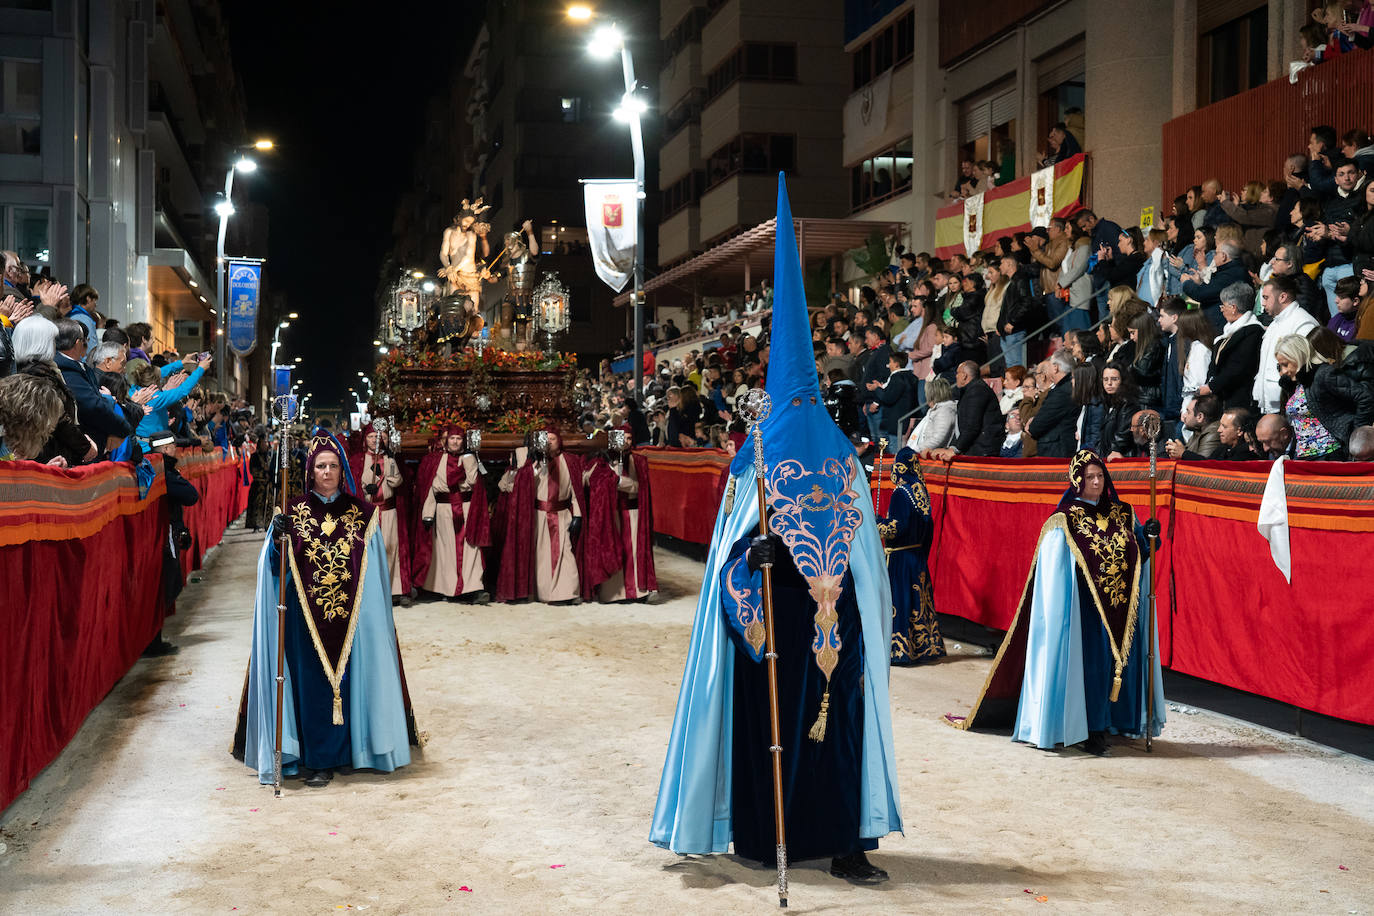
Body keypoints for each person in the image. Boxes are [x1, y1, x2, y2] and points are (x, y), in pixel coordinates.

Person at [651, 177, 901, 885]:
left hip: (835, 614)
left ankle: (849, 842)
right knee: (771, 735)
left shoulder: (841, 455)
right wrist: (749, 554)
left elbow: (862, 549)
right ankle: (763, 835)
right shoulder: (753, 456)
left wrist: (844, 591)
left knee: (840, 727)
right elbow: (729, 550)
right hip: (771, 615)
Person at [235, 434, 419, 788]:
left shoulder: (362, 516)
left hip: (352, 620)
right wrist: (277, 541)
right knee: (312, 687)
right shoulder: (291, 512)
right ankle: (317, 760)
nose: (327, 472)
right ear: (310, 471)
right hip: (305, 622)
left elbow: (374, 571)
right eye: (321, 466)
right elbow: (275, 569)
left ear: (342, 470)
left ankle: (353, 752)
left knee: (352, 686)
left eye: (334, 466)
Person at [957, 450, 1166, 755]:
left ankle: (1110, 723)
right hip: (1084, 610)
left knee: (1116, 669)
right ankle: (1091, 731)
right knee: (1091, 670)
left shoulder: (1122, 513)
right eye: (1089, 477)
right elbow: (1055, 571)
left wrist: (1151, 536)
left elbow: (1141, 554)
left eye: (1100, 476)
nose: (1096, 482)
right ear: (1077, 481)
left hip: (1121, 609)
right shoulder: (1065, 519)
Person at [497, 429, 584, 604]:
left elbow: (576, 490)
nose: (549, 442)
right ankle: (542, 593)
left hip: (561, 515)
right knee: (541, 558)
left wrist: (577, 515)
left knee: (564, 552)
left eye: (552, 439)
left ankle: (566, 592)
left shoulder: (570, 461)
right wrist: (533, 466)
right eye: (546, 439)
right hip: (538, 516)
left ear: (559, 441)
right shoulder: (532, 463)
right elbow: (516, 486)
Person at [878, 448, 945, 665]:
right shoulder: (921, 490)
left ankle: (898, 651)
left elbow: (895, 528)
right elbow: (929, 527)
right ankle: (924, 648)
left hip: (900, 557)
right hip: (916, 556)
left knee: (900, 601)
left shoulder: (900, 493)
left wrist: (875, 521)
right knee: (917, 603)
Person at [578, 446, 657, 602]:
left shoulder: (637, 462)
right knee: (612, 550)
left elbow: (639, 487)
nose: (624, 442)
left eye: (628, 438)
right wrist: (602, 477)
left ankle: (637, 592)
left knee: (633, 551)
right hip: (610, 515)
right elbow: (585, 479)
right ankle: (613, 593)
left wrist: (618, 481)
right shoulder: (600, 462)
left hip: (632, 513)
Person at [146, 429, 198, 657]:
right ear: (166, 449)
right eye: (173, 447)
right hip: (165, 532)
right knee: (167, 584)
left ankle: (154, 638)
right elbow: (190, 495)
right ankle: (152, 640)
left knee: (167, 584)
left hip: (163, 532)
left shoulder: (159, 467)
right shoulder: (164, 471)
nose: (176, 450)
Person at [352, 423, 417, 605]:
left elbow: (397, 482)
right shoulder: (358, 460)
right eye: (371, 436)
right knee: (369, 552)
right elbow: (352, 486)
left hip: (388, 511)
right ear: (365, 439)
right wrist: (365, 491)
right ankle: (370, 590)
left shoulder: (389, 459)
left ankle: (394, 590)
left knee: (390, 549)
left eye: (378, 436)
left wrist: (390, 463)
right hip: (368, 514)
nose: (375, 440)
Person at [1255, 276, 1321, 413]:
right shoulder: (1274, 324)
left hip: (1291, 402)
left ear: (1283, 297)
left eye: (1266, 297)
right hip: (1271, 401)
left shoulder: (1303, 322)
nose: (1263, 303)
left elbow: (1304, 365)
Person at [928, 361, 1003, 460]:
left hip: (982, 451)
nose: (956, 376)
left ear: (964, 376)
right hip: (976, 448)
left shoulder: (977, 390)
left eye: (957, 373)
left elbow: (971, 427)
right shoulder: (970, 390)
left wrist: (954, 449)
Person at [1025, 350, 1079, 458]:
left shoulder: (1062, 392)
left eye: (1049, 366)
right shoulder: (1066, 387)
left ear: (1055, 367)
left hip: (1057, 453)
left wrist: (1033, 422)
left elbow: (1036, 427)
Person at [906, 376, 957, 452]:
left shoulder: (945, 411)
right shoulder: (936, 410)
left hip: (934, 456)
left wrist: (916, 449)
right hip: (927, 451)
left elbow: (938, 438)